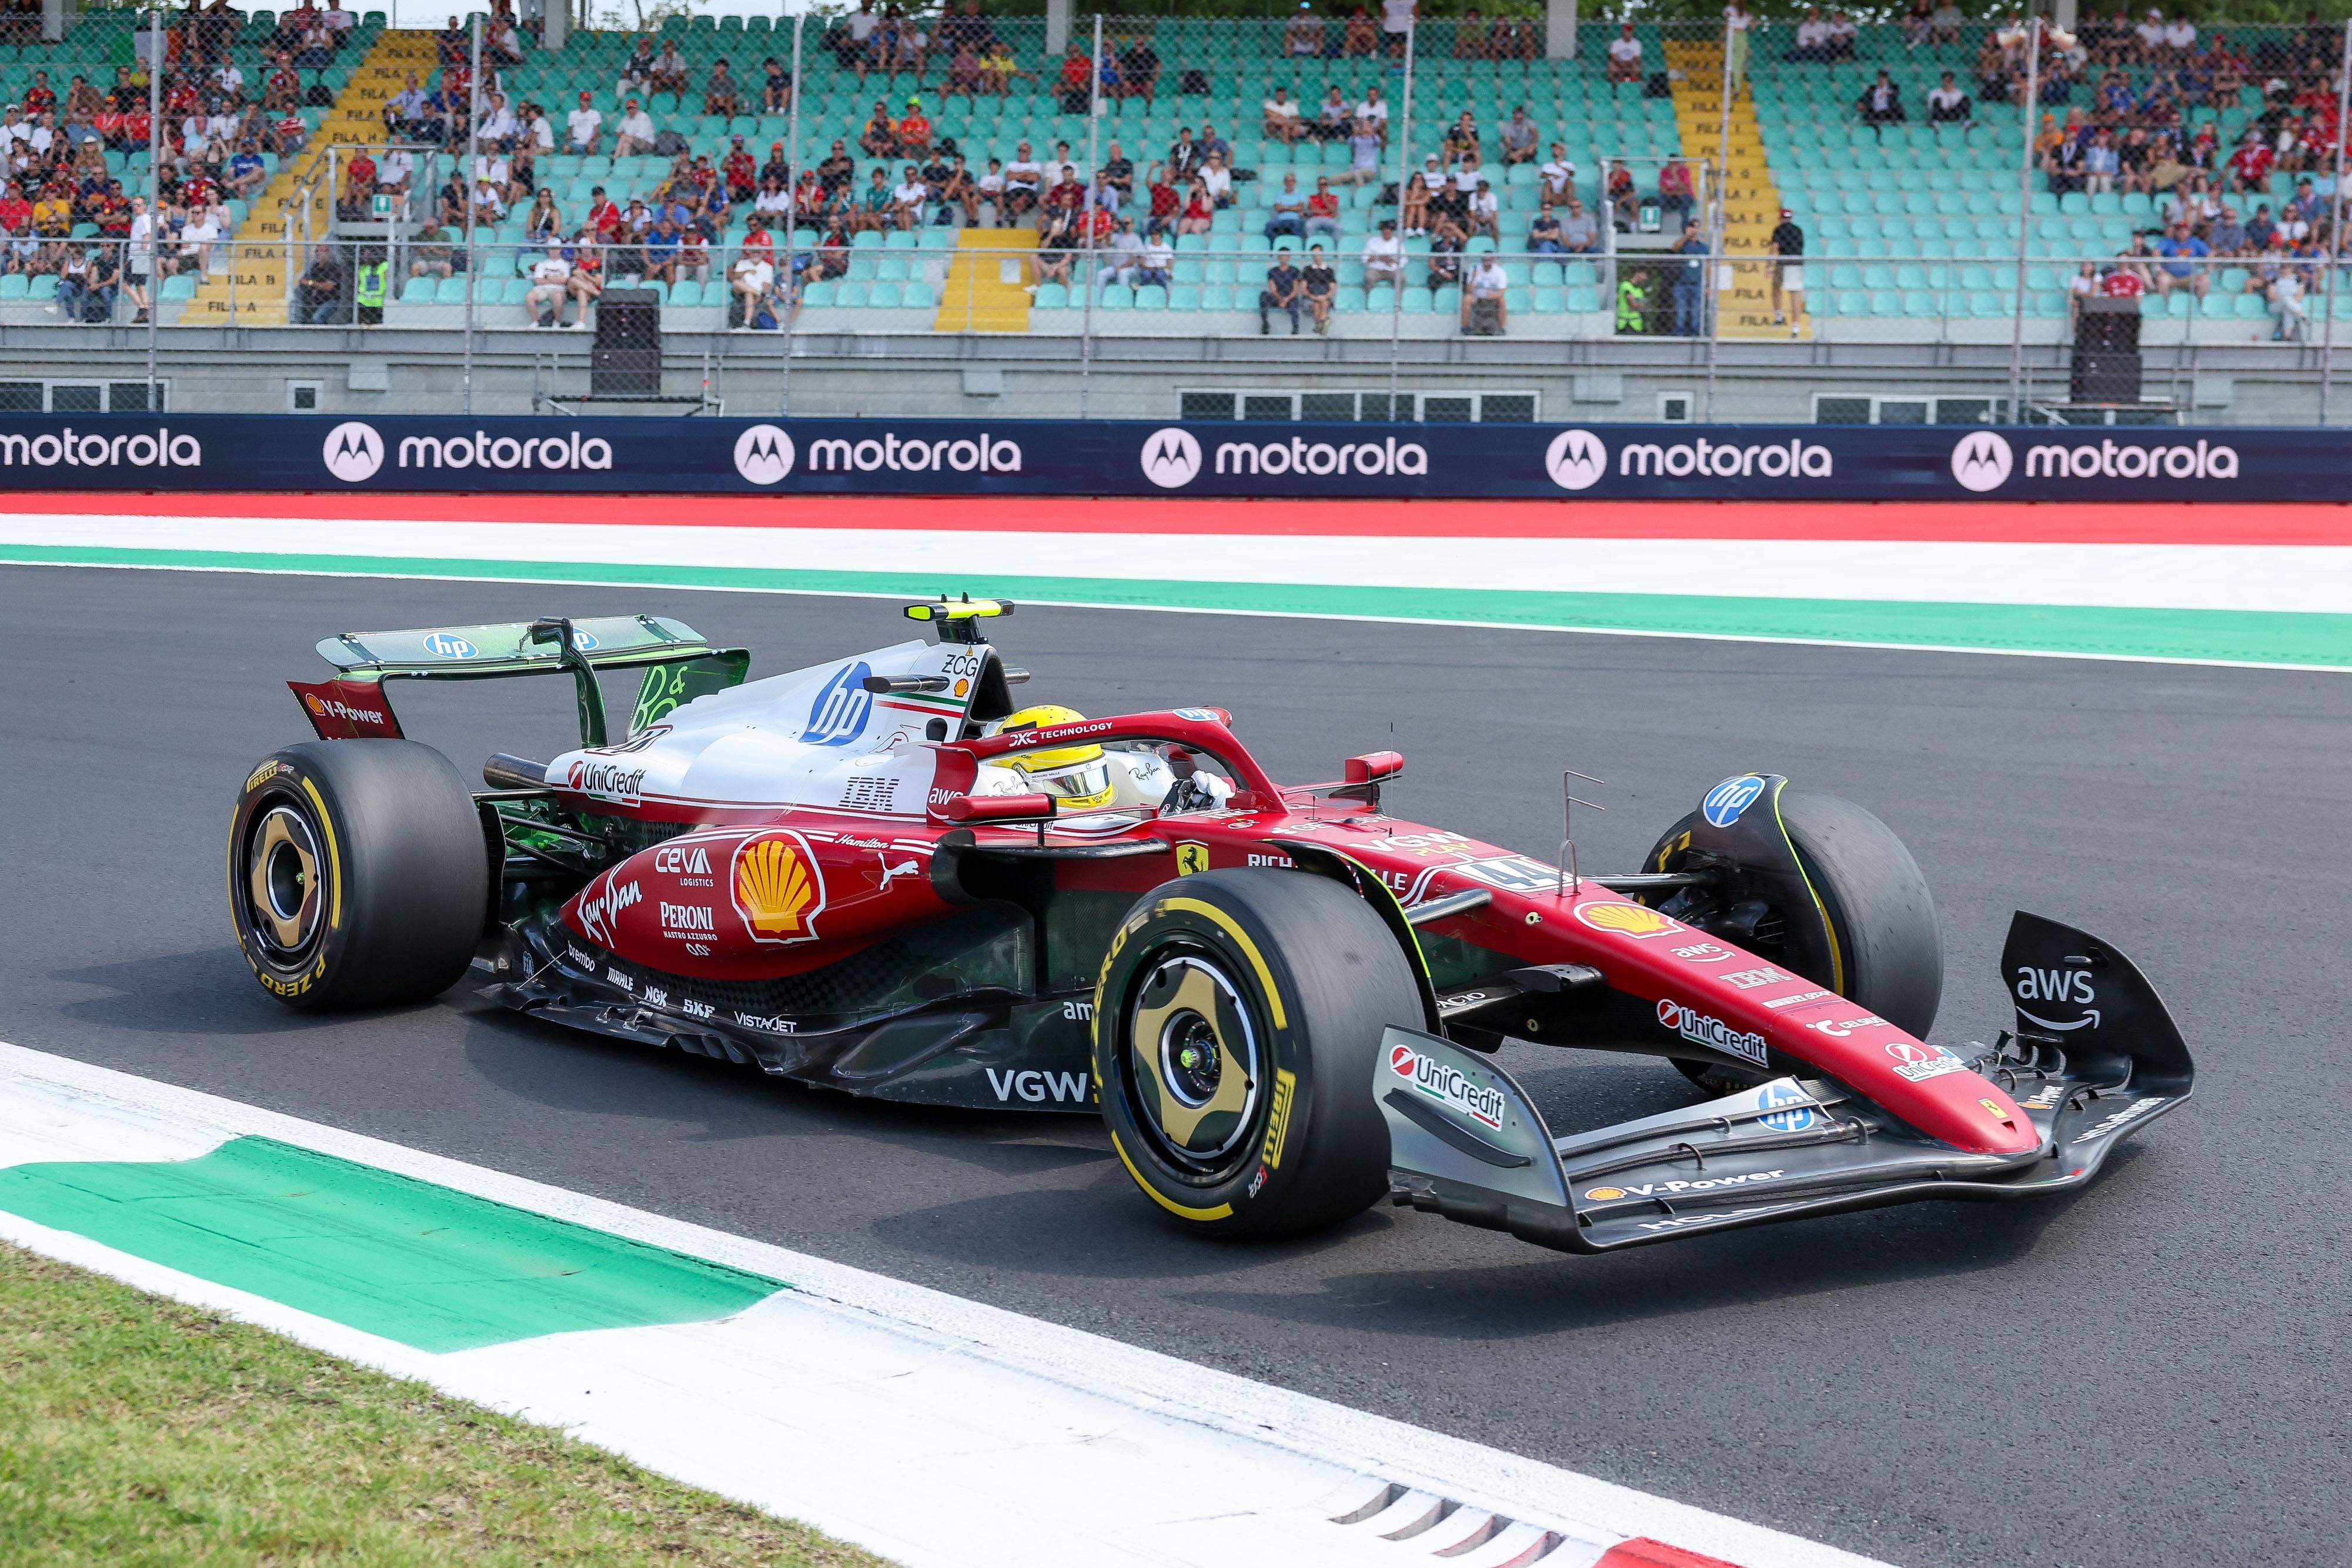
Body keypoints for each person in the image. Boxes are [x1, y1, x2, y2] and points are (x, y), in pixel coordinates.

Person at [1670, 219, 1708, 336]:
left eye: (1697, 227)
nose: (1695, 230)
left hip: (1697, 283)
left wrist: (1709, 285)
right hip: (1682, 283)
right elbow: (1675, 248)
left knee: (1696, 312)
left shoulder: (1703, 247)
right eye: (1692, 227)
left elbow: (1709, 267)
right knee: (1681, 311)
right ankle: (1680, 333)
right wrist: (1687, 236)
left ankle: (1695, 334)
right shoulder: (1683, 245)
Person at [1769, 206, 1804, 331]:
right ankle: (1796, 326)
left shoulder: (1779, 230)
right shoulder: (1798, 230)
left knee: (1776, 288)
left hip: (1783, 262)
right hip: (1797, 262)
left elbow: (1775, 247)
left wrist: (1769, 266)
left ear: (1780, 218)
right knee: (1795, 293)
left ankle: (1779, 317)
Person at [524, 241, 571, 326]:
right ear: (548, 250)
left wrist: (547, 277)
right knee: (529, 296)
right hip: (542, 289)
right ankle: (536, 322)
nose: (553, 251)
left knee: (558, 296)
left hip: (558, 289)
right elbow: (538, 281)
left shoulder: (565, 264)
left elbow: (564, 281)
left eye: (556, 248)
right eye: (551, 248)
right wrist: (556, 279)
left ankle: (556, 322)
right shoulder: (542, 264)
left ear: (560, 250)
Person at [1461, 249, 1506, 333]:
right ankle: (1465, 327)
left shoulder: (1500, 272)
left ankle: (1501, 328)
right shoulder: (1475, 270)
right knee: (1467, 299)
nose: (1487, 262)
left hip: (1493, 297)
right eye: (1485, 260)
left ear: (1494, 260)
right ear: (1482, 260)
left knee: (1502, 301)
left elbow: (1502, 291)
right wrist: (1474, 278)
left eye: (1489, 260)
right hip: (1477, 297)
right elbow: (1468, 291)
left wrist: (1493, 296)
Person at [1260, 250, 1302, 334]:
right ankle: (1265, 324)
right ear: (1278, 257)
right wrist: (1280, 299)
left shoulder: (1295, 271)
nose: (1283, 257)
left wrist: (1287, 299)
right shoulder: (1272, 272)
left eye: (1285, 255)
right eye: (1281, 255)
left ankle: (1295, 327)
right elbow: (1273, 289)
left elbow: (1296, 289)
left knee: (1294, 303)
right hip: (1277, 297)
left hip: (1290, 297)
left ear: (1289, 257)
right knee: (1263, 296)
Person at [1301, 242, 1337, 335]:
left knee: (1324, 302)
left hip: (1324, 296)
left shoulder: (1329, 271)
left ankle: (1320, 325)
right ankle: (1324, 322)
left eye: (1318, 253)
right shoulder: (1307, 270)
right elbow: (1304, 288)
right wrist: (1313, 297)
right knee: (1316, 305)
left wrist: (1325, 297)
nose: (1316, 256)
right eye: (1314, 254)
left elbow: (1332, 289)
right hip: (1311, 296)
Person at [1363, 217, 1402, 290]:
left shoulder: (1398, 243)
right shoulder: (1373, 241)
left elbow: (1403, 260)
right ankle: (1371, 298)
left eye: (1389, 232)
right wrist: (1380, 258)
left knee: (1401, 277)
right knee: (1368, 277)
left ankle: (1397, 300)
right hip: (1376, 270)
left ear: (1392, 232)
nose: (1387, 234)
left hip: (1392, 270)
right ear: (1382, 232)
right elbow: (1365, 258)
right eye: (1385, 232)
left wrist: (1390, 260)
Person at [1606, 21, 1643, 86]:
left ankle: (1631, 85)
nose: (1628, 32)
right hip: (1619, 64)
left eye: (1630, 30)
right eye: (1627, 30)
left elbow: (1637, 58)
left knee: (1637, 69)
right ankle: (1614, 87)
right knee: (1611, 66)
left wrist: (1628, 63)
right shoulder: (1616, 43)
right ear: (1623, 31)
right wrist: (1621, 63)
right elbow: (1613, 56)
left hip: (1631, 64)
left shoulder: (1637, 43)